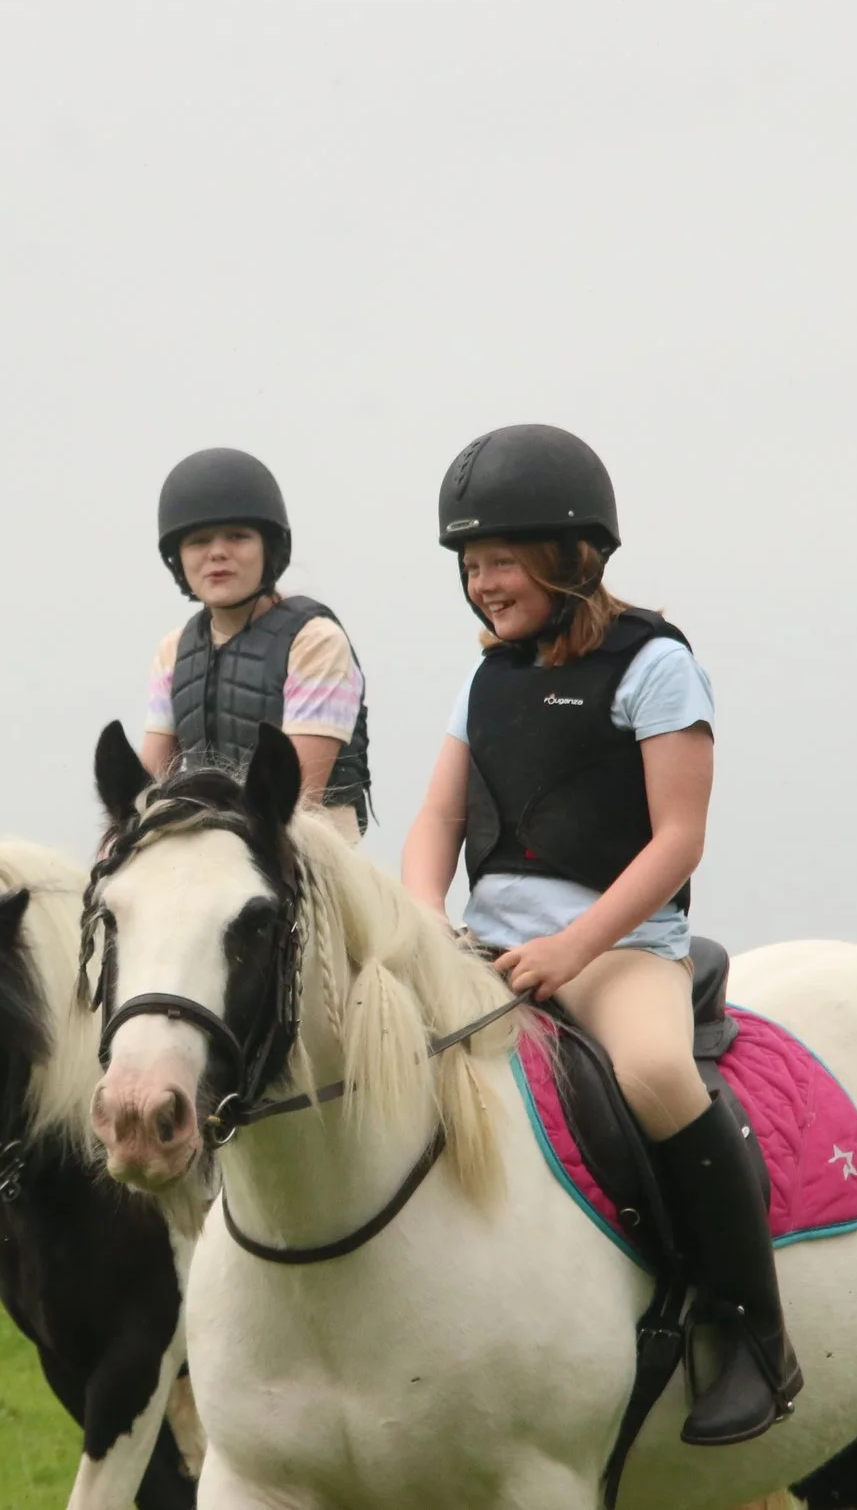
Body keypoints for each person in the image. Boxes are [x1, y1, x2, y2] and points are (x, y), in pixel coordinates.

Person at [400, 423, 800, 1445]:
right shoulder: (483, 675)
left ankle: (752, 1328)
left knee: (660, 1076)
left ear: (570, 553)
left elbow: (678, 838)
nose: (482, 582)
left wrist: (573, 949)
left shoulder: (656, 663)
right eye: (470, 564)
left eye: (499, 559)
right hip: (486, 952)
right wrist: (422, 922)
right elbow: (438, 820)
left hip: (619, 953)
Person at [137, 447, 372, 836]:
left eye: (237, 537)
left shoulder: (315, 642)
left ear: (269, 547)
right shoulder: (174, 651)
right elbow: (147, 788)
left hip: (306, 861)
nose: (217, 553)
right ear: (177, 558)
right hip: (209, 853)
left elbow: (295, 800)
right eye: (199, 541)